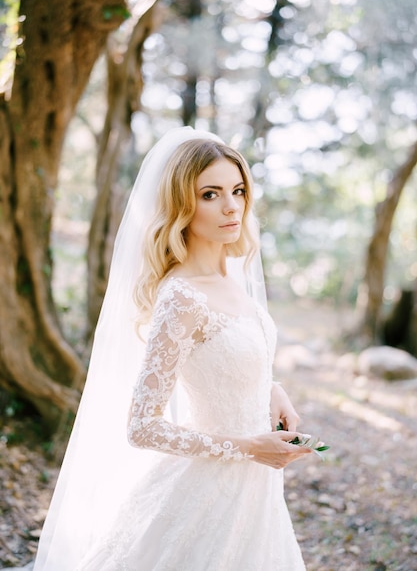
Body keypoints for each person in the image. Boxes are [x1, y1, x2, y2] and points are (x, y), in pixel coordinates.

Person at [34, 127, 313, 571]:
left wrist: (272, 389)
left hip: (256, 493)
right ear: (182, 204)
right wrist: (248, 446)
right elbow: (142, 426)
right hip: (206, 494)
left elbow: (227, 358)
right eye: (210, 194)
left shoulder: (233, 280)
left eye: (238, 190)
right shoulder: (182, 297)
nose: (231, 206)